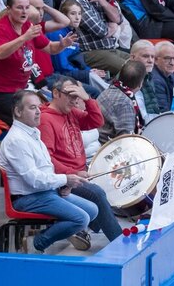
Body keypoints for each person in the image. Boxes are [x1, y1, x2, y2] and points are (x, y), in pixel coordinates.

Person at [0, 90, 96, 254]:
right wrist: (65, 179)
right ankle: (36, 243)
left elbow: (46, 169)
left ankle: (60, 230)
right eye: (32, 108)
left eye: (39, 107)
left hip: (44, 192)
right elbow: (34, 179)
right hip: (28, 198)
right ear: (18, 111)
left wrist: (63, 184)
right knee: (81, 219)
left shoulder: (33, 133)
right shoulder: (16, 140)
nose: (38, 112)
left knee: (92, 210)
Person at [39, 77, 121, 250]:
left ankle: (80, 228)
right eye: (70, 94)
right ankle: (119, 240)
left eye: (77, 95)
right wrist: (71, 174)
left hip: (79, 173)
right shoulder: (46, 119)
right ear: (55, 93)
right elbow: (47, 158)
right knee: (97, 193)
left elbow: (96, 122)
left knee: (107, 187)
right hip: (63, 178)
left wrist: (88, 99)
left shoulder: (70, 112)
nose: (75, 100)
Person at [0, 0, 77, 125]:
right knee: (31, 120)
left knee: (51, 112)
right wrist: (24, 37)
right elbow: (0, 53)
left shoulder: (27, 25)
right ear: (9, 9)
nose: (24, 11)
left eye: (27, 7)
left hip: (18, 89)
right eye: (19, 7)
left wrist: (62, 45)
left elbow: (50, 48)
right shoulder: (1, 28)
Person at [61, 0, 131, 75]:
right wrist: (112, 29)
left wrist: (103, 1)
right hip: (89, 53)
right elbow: (101, 31)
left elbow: (119, 20)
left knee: (139, 63)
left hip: (108, 49)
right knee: (129, 70)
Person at [96, 60, 148, 143]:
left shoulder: (111, 90)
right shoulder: (124, 103)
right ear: (140, 84)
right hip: (107, 149)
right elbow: (126, 140)